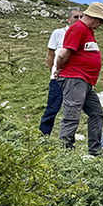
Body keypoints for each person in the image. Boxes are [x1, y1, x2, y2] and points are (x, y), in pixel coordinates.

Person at [55, 2, 103, 155]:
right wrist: (59, 69)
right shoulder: (78, 28)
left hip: (85, 81)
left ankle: (95, 151)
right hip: (74, 78)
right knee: (72, 114)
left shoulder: (88, 31)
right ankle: (65, 151)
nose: (101, 24)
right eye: (101, 21)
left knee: (96, 114)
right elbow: (63, 53)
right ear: (94, 17)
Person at [39, 7, 83, 136]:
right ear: (68, 19)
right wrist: (53, 73)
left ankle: (67, 140)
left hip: (75, 79)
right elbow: (50, 56)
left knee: (72, 111)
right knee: (52, 108)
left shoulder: (83, 34)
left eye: (82, 17)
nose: (79, 20)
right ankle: (43, 136)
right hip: (58, 78)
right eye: (76, 17)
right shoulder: (58, 33)